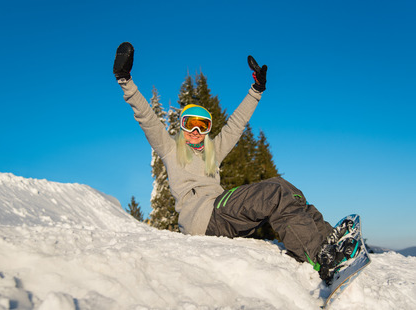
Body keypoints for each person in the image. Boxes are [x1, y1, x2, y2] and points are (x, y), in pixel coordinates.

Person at [113, 42, 349, 282]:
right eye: (189, 124)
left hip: (220, 214)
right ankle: (320, 258)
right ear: (181, 127)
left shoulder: (211, 152)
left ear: (207, 129)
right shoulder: (170, 150)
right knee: (275, 193)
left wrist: (256, 90)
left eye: (202, 125)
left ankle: (330, 238)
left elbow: (236, 124)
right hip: (203, 218)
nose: (195, 130)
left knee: (285, 187)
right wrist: (125, 81)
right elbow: (147, 118)